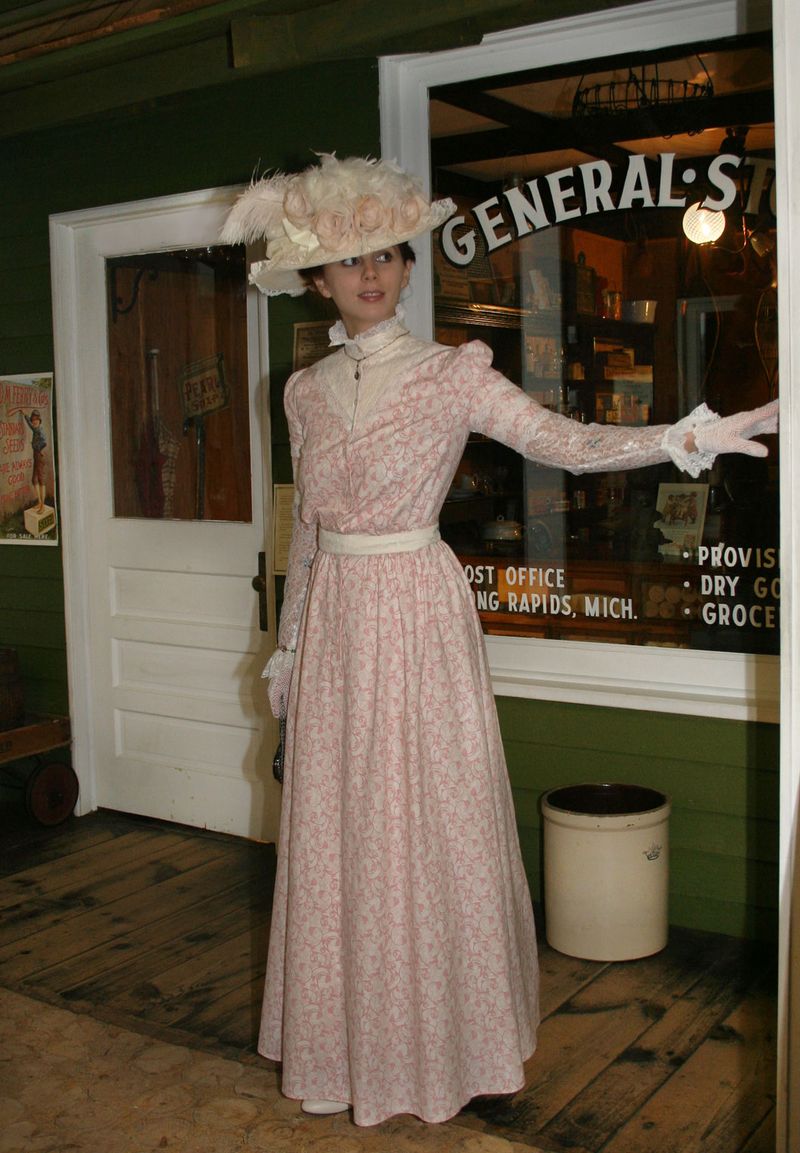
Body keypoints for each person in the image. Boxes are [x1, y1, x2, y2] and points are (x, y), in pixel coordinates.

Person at [221, 154, 778, 1127]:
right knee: (341, 833)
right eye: (350, 259)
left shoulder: (447, 374)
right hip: (338, 624)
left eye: (388, 253)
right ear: (315, 276)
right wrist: (287, 643)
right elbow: (304, 528)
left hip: (416, 612)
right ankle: (347, 1046)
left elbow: (562, 441)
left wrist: (685, 438)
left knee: (426, 823)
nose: (372, 273)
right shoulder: (301, 393)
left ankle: (441, 1049)